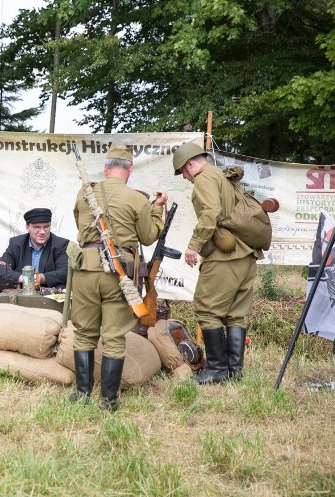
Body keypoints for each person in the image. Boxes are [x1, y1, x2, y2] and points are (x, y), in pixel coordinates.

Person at [70, 144, 167, 410]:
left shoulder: (84, 192)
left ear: (105, 167)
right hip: (118, 274)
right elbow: (148, 236)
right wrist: (157, 208)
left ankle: (82, 394)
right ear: (129, 169)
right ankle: (109, 400)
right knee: (113, 336)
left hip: (86, 271)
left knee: (84, 333)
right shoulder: (137, 199)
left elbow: (79, 222)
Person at [173, 141, 262, 384]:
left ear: (190, 164)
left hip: (225, 258)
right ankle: (234, 371)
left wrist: (194, 245)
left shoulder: (203, 178)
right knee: (236, 313)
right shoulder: (222, 177)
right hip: (246, 255)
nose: (184, 177)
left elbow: (210, 213)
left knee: (207, 308)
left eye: (182, 171)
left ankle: (217, 369)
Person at [0, 207, 69, 292]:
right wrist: (23, 278)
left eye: (46, 227)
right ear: (27, 227)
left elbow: (65, 272)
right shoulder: (16, 244)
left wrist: (41, 278)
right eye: (37, 227)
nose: (42, 232)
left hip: (50, 298)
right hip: (21, 297)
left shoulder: (61, 244)